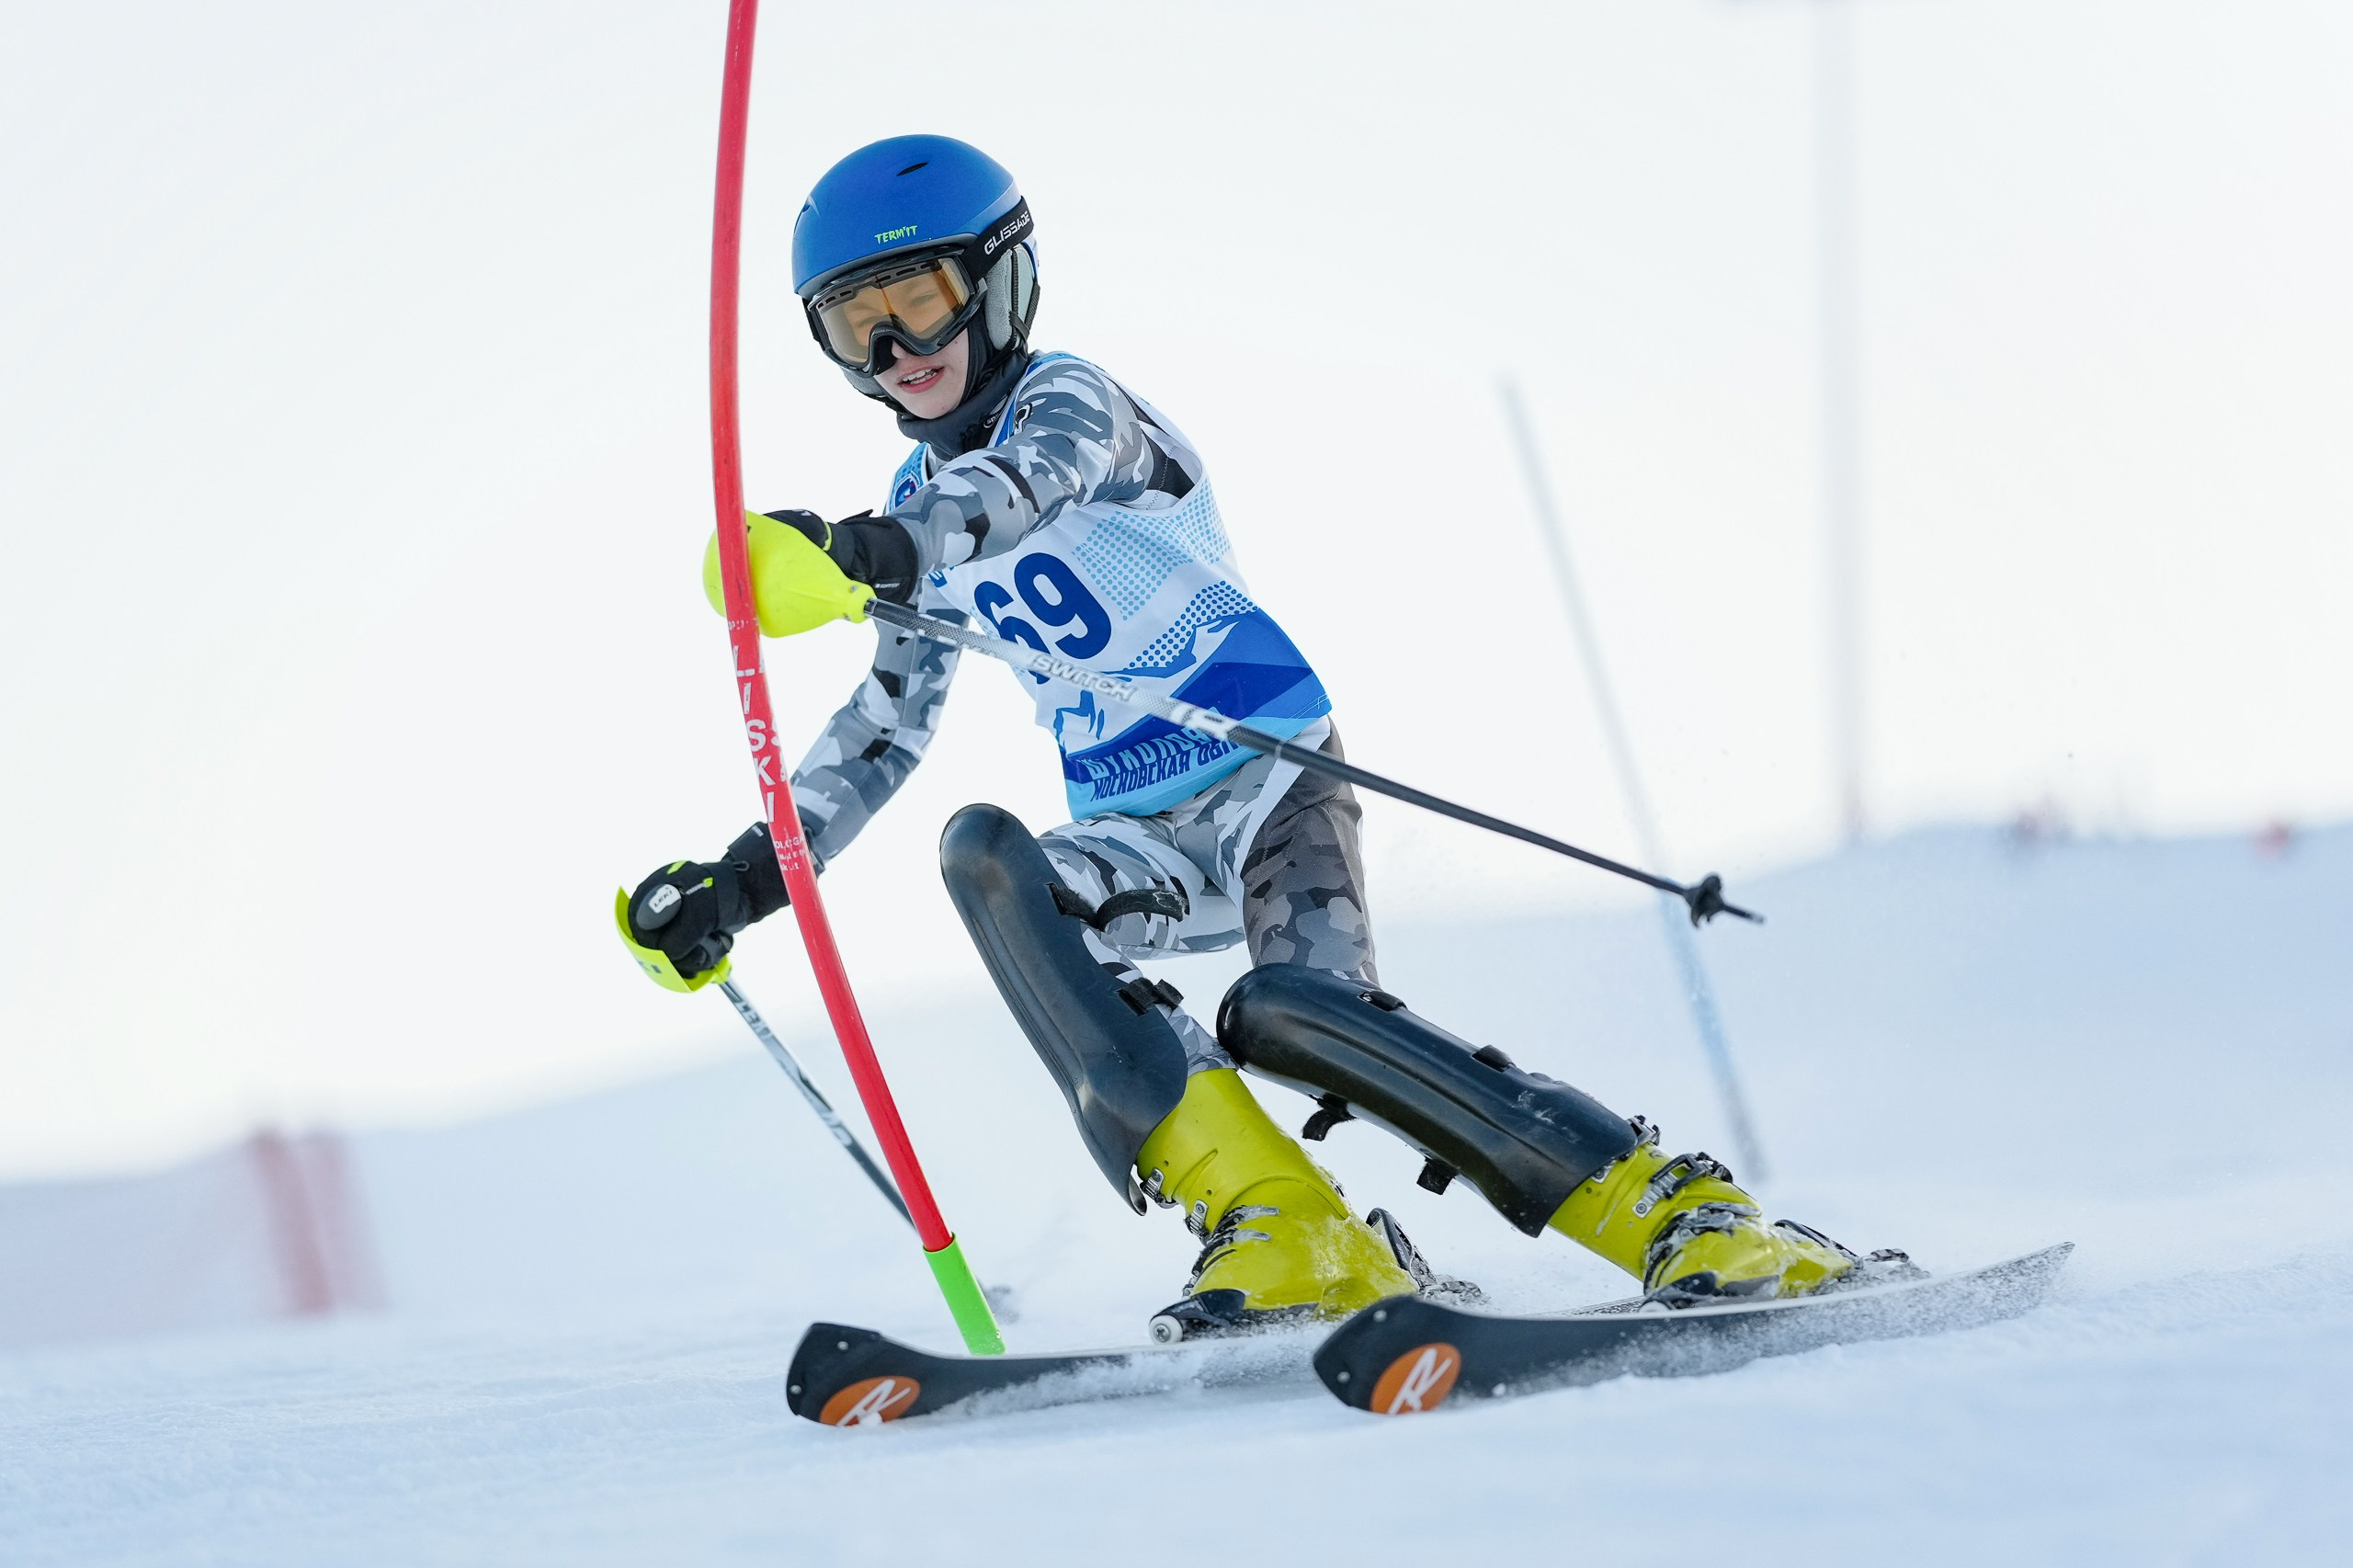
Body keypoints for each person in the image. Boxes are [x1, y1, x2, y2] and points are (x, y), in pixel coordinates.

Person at [620, 134, 1871, 1337]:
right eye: (855, 323)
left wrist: (857, 553)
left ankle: (1671, 1203)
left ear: (999, 282)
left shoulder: (1075, 405)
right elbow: (882, 734)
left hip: (1275, 784)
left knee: (1293, 1013)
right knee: (990, 856)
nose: (897, 349)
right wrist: (739, 883)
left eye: (923, 300)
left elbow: (1015, 492)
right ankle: (1283, 1220)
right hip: (1137, 839)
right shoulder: (911, 508)